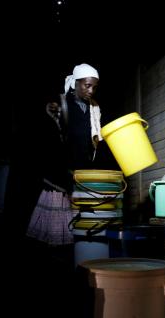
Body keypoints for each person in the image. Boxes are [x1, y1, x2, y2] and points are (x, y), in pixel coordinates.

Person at [27, 63, 103, 245]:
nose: (91, 90)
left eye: (94, 86)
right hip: (61, 176)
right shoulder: (62, 105)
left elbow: (91, 142)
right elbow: (53, 146)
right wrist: (67, 182)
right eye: (87, 85)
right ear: (76, 83)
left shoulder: (93, 109)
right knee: (56, 237)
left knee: (79, 237)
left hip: (81, 174)